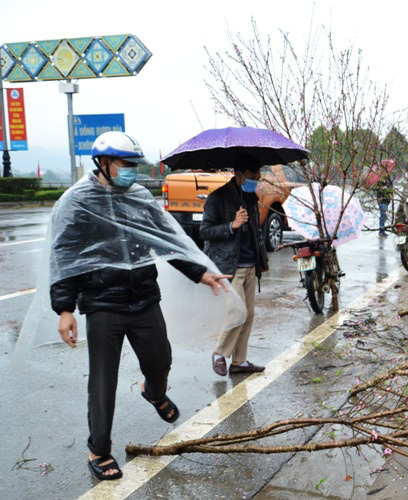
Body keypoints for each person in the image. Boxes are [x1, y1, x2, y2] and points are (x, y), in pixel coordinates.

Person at [49, 131, 231, 481]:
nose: (131, 170)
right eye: (125, 164)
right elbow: (65, 256)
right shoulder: (78, 202)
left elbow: (167, 240)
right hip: (102, 304)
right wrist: (65, 309)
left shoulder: (140, 198)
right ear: (103, 163)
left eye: (134, 164)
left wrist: (201, 273)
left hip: (144, 298)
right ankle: (98, 449)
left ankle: (154, 391)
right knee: (103, 383)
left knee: (160, 360)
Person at [202, 154, 269, 377]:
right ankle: (219, 353)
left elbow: (255, 233)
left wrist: (261, 260)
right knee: (236, 312)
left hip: (250, 265)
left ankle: (239, 361)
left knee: (248, 314)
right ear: (238, 175)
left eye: (258, 177)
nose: (255, 181)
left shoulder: (250, 197)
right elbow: (205, 231)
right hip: (231, 266)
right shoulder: (218, 198)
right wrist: (232, 225)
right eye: (252, 177)